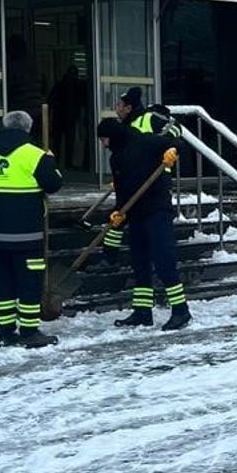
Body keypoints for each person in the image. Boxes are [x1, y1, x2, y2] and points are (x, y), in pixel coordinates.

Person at [0, 111, 64, 348]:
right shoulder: (35, 155)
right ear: (28, 129)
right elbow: (53, 185)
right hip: (28, 234)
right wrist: (51, 162)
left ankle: (6, 331)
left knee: (3, 283)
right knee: (29, 283)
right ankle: (29, 331)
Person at [97, 116, 191, 330]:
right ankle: (142, 311)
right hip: (135, 213)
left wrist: (172, 152)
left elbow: (178, 140)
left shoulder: (146, 142)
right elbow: (122, 190)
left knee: (163, 260)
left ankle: (180, 310)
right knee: (139, 262)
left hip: (157, 211)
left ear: (113, 137)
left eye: (104, 139)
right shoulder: (117, 158)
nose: (103, 145)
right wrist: (118, 212)